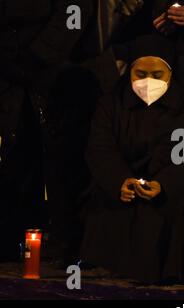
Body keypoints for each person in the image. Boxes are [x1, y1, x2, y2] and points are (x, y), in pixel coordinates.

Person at [80, 35, 184, 284]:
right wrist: (120, 181)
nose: (148, 81)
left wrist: (163, 184)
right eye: (141, 73)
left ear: (170, 73)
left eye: (157, 75)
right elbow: (100, 149)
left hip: (167, 185)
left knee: (165, 213)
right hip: (123, 183)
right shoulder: (111, 103)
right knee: (108, 207)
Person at [0, 0, 94, 262]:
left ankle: (65, 243)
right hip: (10, 74)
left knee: (61, 163)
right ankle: (13, 238)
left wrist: (40, 54)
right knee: (15, 159)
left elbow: (75, 12)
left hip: (56, 74)